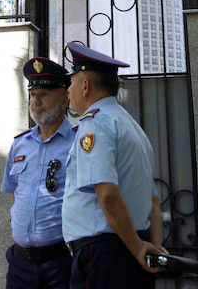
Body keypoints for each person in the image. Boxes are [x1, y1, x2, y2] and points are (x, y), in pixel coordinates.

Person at [62, 42, 169, 288]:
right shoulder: (132, 126)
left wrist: (139, 248)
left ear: (85, 86)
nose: (68, 90)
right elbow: (153, 202)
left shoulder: (95, 124)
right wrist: (152, 247)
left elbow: (108, 193)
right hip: (131, 249)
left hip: (104, 255)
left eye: (72, 82)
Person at [0, 56, 75, 289]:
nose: (36, 102)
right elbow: (16, 193)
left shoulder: (79, 141)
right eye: (32, 94)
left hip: (62, 261)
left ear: (64, 100)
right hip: (21, 263)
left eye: (44, 95)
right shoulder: (19, 144)